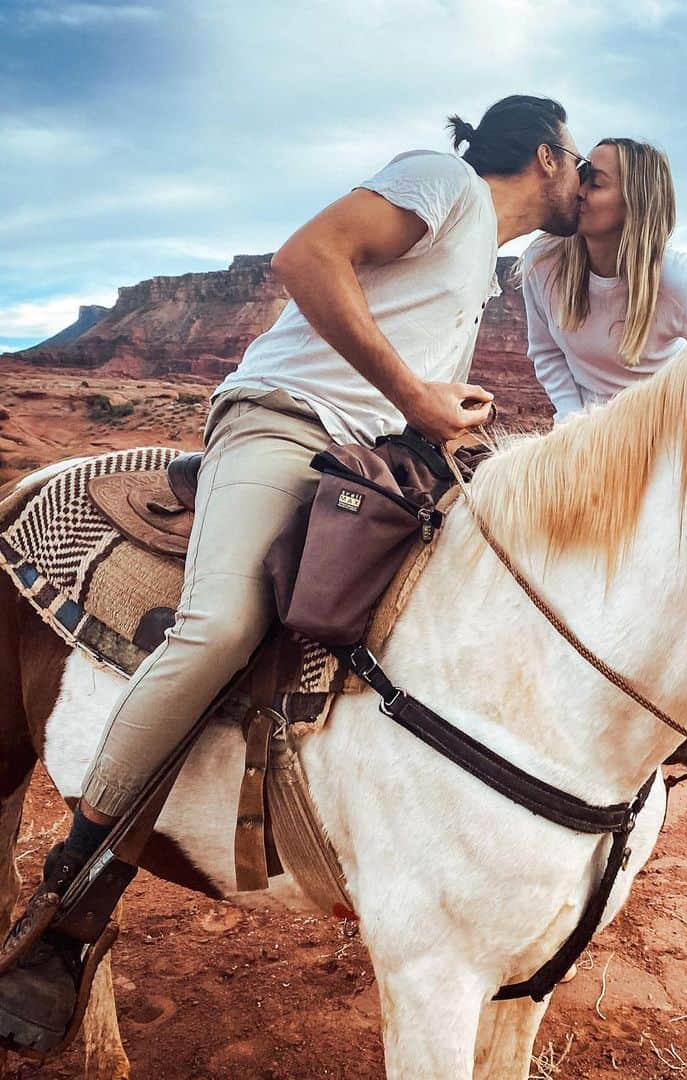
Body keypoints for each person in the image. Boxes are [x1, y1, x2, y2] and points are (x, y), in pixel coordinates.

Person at [0, 94, 589, 1055]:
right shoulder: (443, 182)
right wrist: (412, 394)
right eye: (579, 160)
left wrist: (439, 418)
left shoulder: (485, 258)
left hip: (371, 454)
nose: (583, 179)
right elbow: (304, 257)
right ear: (549, 156)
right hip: (286, 424)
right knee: (224, 625)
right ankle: (69, 901)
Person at [519, 137, 687, 424]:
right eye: (582, 176)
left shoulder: (677, 279)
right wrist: (573, 422)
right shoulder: (542, 262)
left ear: (635, 203)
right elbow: (546, 352)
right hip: (582, 434)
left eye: (596, 183)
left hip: (662, 432)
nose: (578, 191)